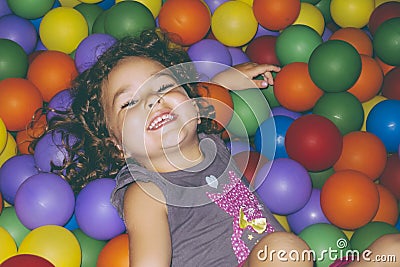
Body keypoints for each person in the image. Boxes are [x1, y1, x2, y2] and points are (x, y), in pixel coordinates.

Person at [40, 29, 399, 267]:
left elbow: (198, 93)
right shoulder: (146, 190)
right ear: (119, 146)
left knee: (390, 250)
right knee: (285, 251)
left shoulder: (211, 145)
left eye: (163, 87)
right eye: (129, 103)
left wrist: (224, 79)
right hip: (278, 257)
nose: (153, 101)